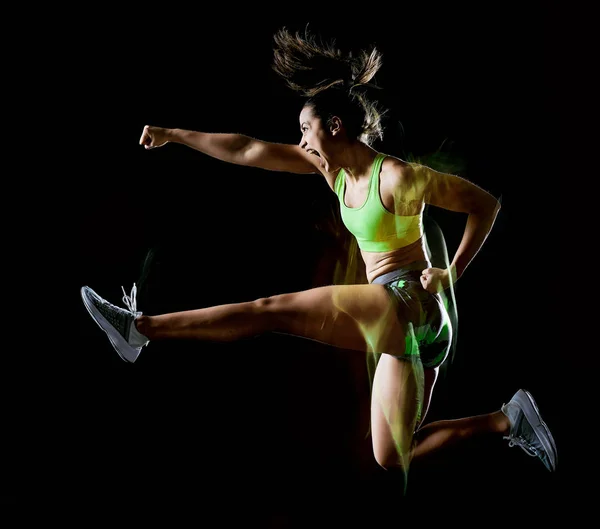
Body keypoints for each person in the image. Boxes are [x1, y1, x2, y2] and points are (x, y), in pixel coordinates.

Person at [80, 27, 557, 476]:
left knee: (271, 310)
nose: (302, 142)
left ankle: (140, 330)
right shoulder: (334, 174)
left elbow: (484, 205)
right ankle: (506, 419)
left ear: (334, 126)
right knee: (391, 455)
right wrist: (175, 134)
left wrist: (450, 272)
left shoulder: (396, 177)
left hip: (409, 306)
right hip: (415, 333)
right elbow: (248, 149)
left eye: (306, 131)